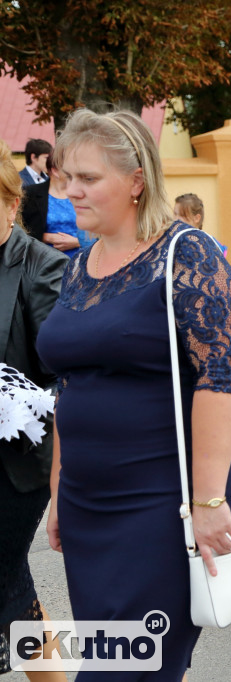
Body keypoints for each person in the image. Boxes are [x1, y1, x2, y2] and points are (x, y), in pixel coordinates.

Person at [38, 108, 231, 680]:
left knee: (128, 670)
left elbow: (222, 379)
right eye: (66, 177)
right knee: (111, 657)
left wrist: (208, 503)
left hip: (163, 500)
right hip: (88, 500)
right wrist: (60, 490)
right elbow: (70, 384)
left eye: (87, 178)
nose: (70, 191)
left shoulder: (189, 255)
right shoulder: (80, 266)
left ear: (136, 181)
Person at [0, 138, 67, 682]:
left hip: (19, 461)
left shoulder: (41, 267)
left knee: (2, 574)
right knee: (8, 579)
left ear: (10, 202)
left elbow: (61, 373)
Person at [21, 160, 82, 259]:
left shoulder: (82, 193)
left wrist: (77, 242)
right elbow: (21, 228)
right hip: (44, 260)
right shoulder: (31, 193)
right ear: (55, 171)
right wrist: (46, 237)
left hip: (79, 259)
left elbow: (99, 230)